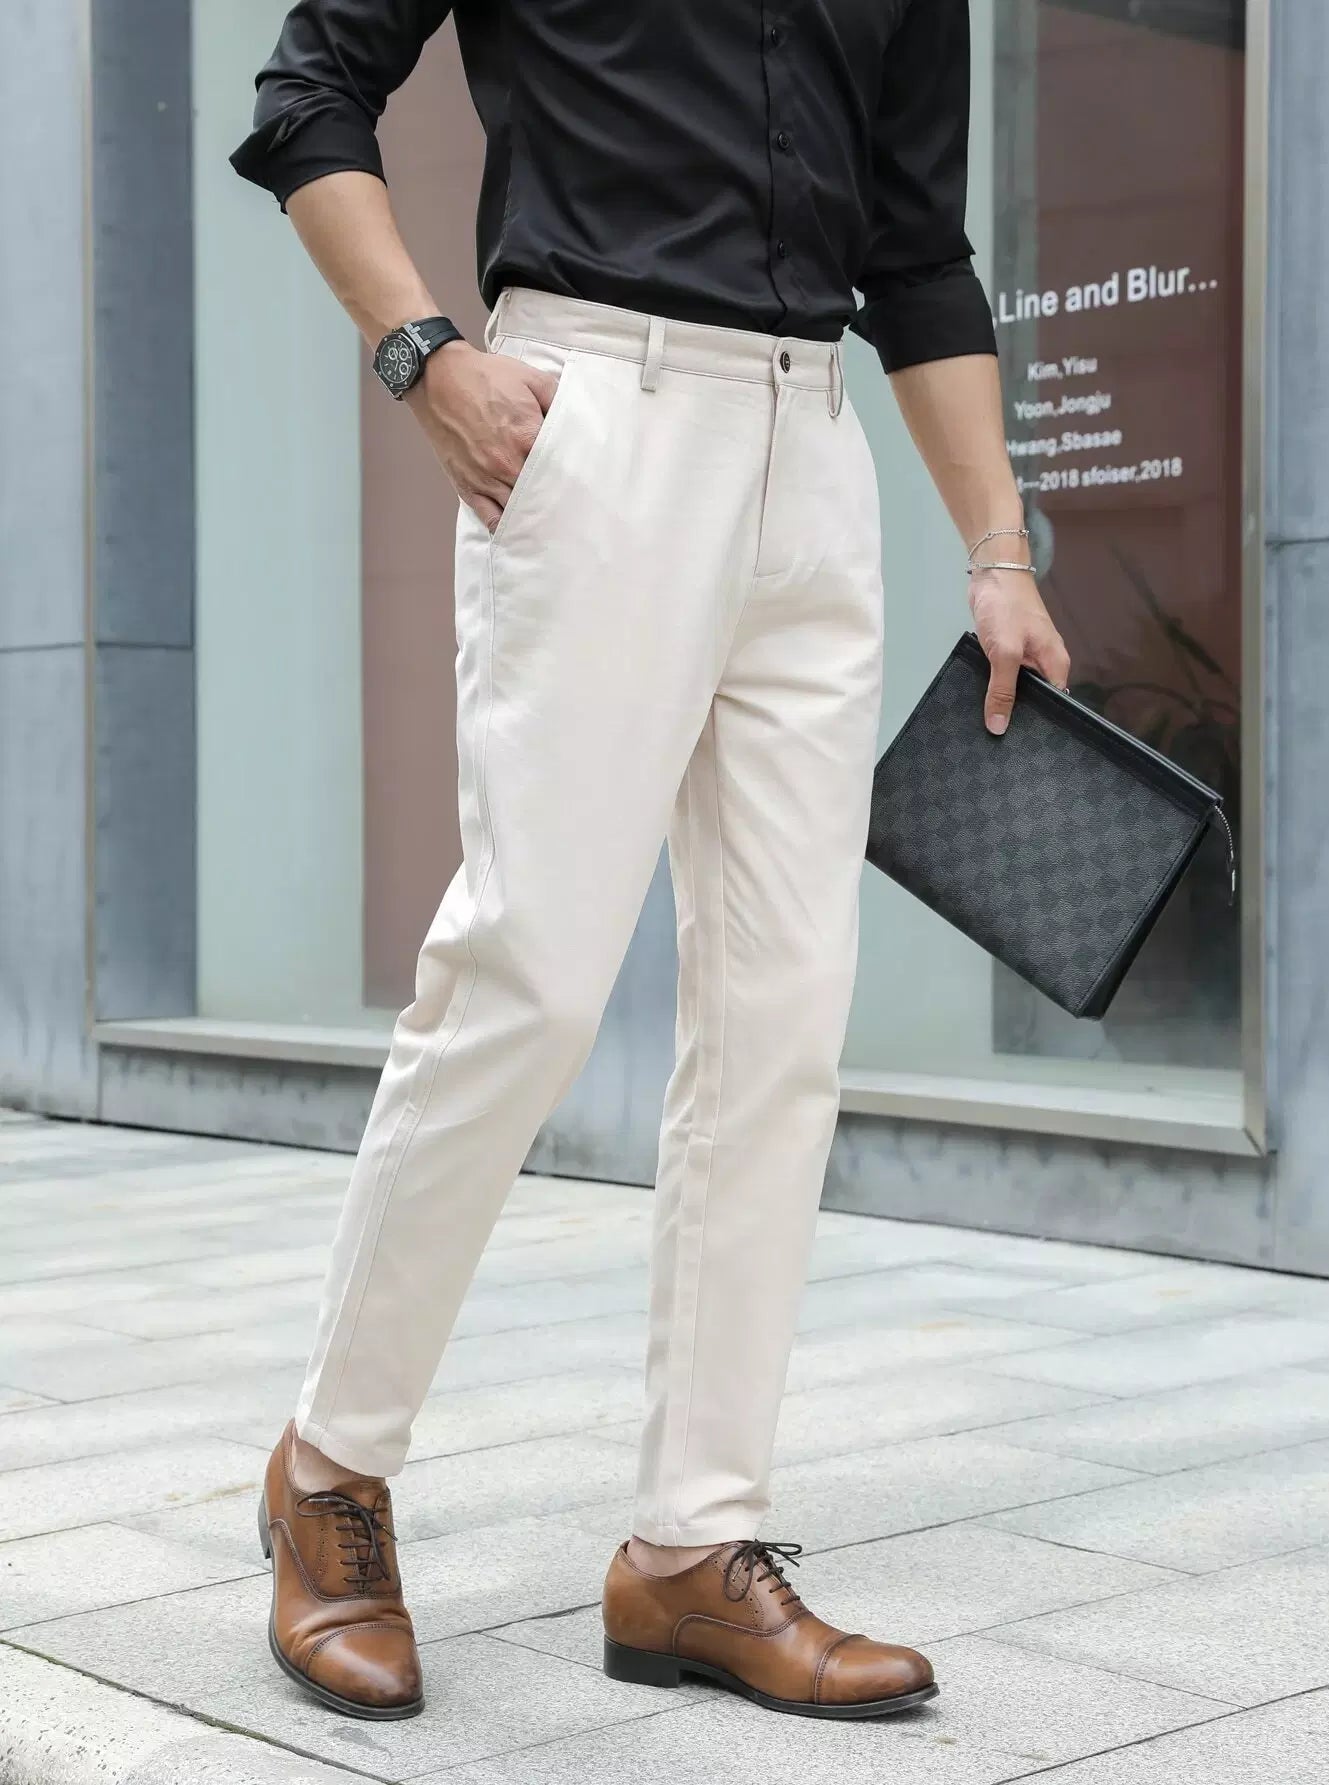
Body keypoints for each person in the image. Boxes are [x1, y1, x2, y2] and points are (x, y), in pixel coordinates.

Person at [234, 0, 1069, 1724]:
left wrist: (997, 547)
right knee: (529, 973)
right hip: (592, 415)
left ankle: (693, 1542)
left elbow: (919, 252)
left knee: (782, 1023)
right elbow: (311, 95)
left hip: (814, 453)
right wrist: (422, 356)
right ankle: (330, 1471)